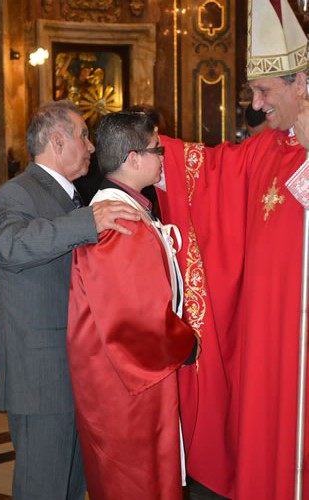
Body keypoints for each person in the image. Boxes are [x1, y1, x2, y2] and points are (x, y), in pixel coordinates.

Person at [155, 0, 309, 499]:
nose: (258, 104)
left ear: (300, 83)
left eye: (265, 91)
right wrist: (153, 159)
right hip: (267, 327)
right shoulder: (272, 144)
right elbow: (218, 172)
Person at [0, 99, 141, 500]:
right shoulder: (16, 194)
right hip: (42, 377)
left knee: (71, 490)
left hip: (76, 372)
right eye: (83, 135)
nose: (91, 147)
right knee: (45, 490)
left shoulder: (70, 198)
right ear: (57, 142)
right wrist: (86, 222)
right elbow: (9, 246)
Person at [66, 111, 198, 500]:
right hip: (127, 385)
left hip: (127, 379)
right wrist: (186, 342)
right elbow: (133, 319)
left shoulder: (126, 207)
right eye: (158, 150)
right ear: (133, 159)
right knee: (136, 484)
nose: (163, 158)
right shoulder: (119, 221)